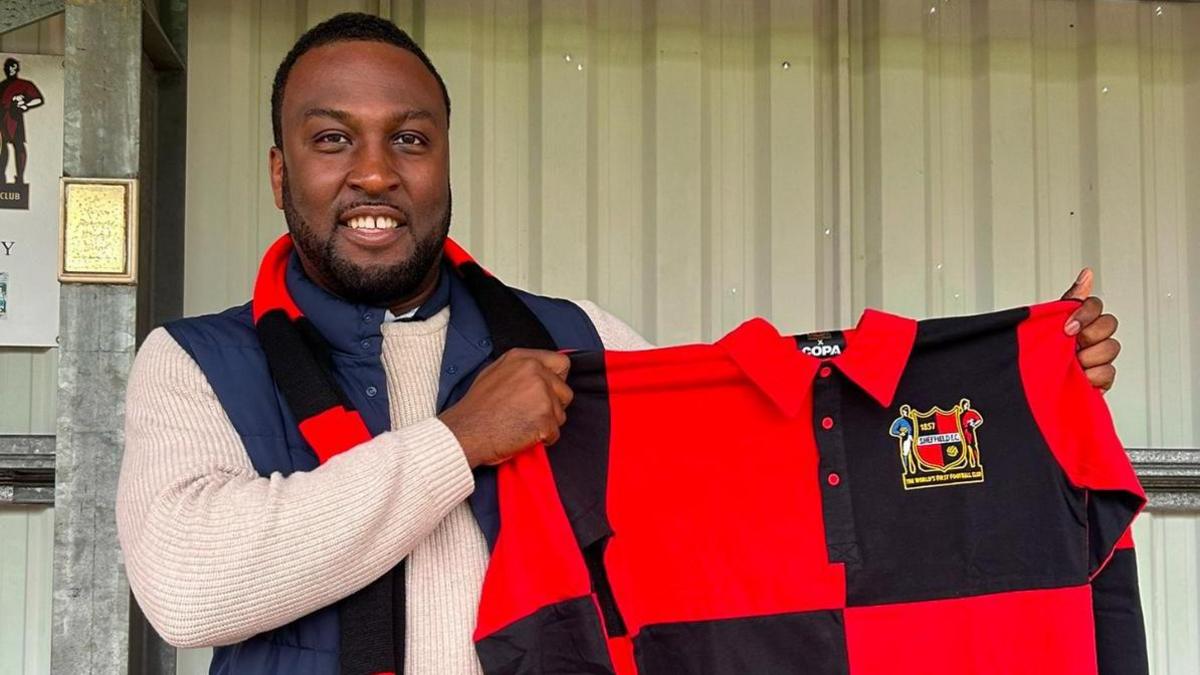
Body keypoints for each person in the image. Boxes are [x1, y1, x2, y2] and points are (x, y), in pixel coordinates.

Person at [115, 13, 1123, 675]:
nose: (375, 173)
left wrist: (1026, 386)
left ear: (446, 163)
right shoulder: (199, 364)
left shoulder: (578, 343)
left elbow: (764, 482)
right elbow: (189, 587)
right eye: (332, 139)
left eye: (409, 139)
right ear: (280, 172)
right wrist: (456, 443)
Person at [0, 58, 43, 185]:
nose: (9, 70)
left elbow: (38, 99)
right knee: (2, 148)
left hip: (15, 119)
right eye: (7, 67)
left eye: (12, 67)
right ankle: (1, 177)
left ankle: (20, 177)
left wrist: (26, 105)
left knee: (18, 146)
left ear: (16, 68)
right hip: (2, 119)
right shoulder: (1, 86)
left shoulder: (25, 84)